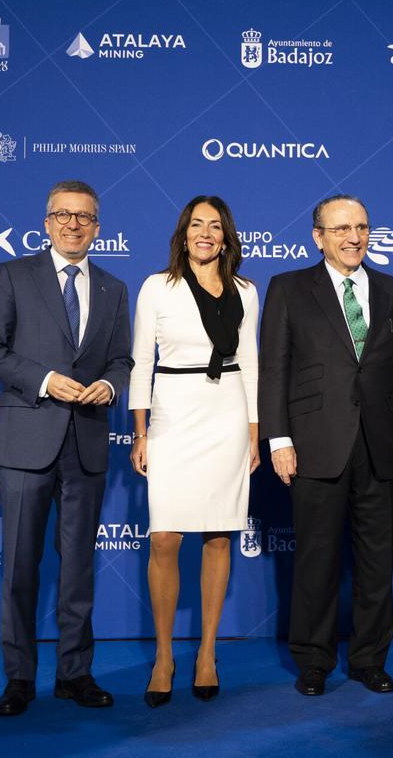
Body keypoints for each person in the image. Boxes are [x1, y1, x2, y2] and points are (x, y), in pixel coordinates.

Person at [0, 180, 133, 716]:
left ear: (97, 228)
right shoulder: (14, 275)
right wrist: (43, 380)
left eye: (83, 216)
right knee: (20, 565)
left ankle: (75, 674)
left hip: (86, 442)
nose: (72, 224)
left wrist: (109, 384)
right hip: (25, 440)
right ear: (46, 223)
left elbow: (122, 359)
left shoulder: (113, 288)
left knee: (78, 567)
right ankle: (19, 679)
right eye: (62, 215)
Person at [259, 194, 393, 697]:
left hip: (381, 445)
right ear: (318, 237)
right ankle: (313, 661)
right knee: (316, 560)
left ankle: (370, 659)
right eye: (341, 228)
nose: (353, 237)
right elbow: (274, 369)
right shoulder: (288, 288)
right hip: (314, 443)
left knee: (376, 563)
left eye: (361, 227)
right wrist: (279, 438)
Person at [129, 195, 260, 708]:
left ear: (226, 237)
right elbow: (141, 362)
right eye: (197, 224)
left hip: (227, 414)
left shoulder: (246, 290)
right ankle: (164, 657)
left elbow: (250, 361)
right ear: (183, 233)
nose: (205, 233)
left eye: (215, 226)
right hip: (173, 414)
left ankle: (207, 653)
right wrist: (140, 432)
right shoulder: (157, 286)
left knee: (219, 536)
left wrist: (253, 432)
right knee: (164, 538)